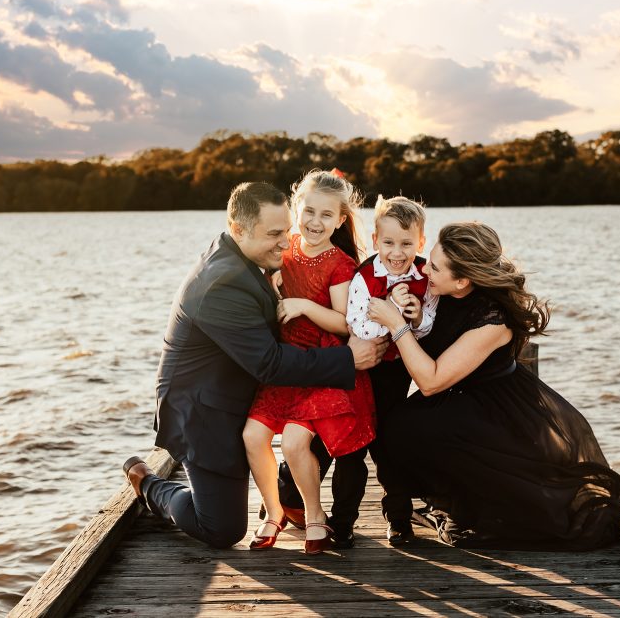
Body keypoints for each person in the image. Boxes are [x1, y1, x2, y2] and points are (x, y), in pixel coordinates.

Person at [122, 181, 386, 549]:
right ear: (238, 229)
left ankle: (296, 505)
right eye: (275, 234)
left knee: (319, 416)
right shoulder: (221, 285)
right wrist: (348, 357)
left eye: (287, 230)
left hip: (243, 389)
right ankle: (150, 484)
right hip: (206, 413)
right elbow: (270, 363)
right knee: (222, 529)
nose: (285, 242)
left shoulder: (251, 256)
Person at [368, 222, 620, 550]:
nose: (424, 269)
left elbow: (430, 382)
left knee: (411, 428)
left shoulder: (493, 319)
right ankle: (423, 504)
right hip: (458, 397)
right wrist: (416, 319)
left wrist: (396, 324)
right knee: (394, 423)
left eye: (433, 266)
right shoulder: (440, 290)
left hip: (491, 410)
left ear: (462, 280)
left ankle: (479, 507)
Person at [274, 196, 437, 547]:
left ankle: (398, 518)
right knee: (347, 445)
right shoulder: (364, 275)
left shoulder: (424, 276)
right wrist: (392, 316)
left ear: (420, 243)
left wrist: (417, 316)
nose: (397, 252)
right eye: (389, 242)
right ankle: (334, 517)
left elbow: (428, 326)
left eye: (407, 244)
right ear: (376, 239)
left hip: (396, 372)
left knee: (389, 445)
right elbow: (356, 326)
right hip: (361, 371)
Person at [243, 170, 375, 555]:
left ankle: (316, 516)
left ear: (340, 220)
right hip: (286, 364)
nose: (316, 222)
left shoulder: (340, 264)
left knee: (297, 441)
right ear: (296, 208)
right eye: (309, 211)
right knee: (253, 435)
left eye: (326, 215)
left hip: (322, 364)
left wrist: (302, 306)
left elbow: (344, 322)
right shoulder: (285, 248)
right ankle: (272, 511)